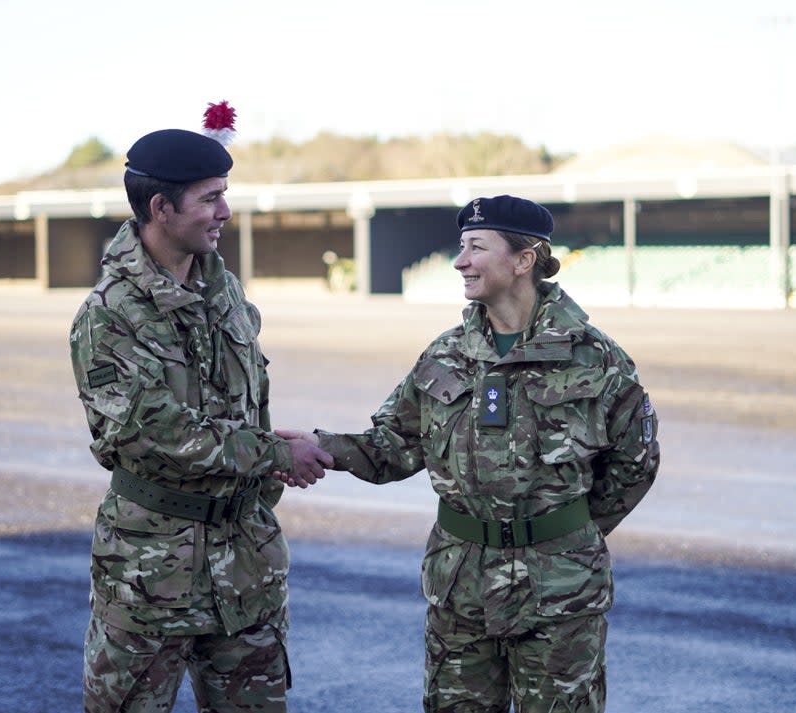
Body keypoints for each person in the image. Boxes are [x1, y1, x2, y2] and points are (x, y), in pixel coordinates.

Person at [278, 195, 660, 712]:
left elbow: (635, 463)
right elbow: (392, 448)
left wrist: (566, 535)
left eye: (476, 247)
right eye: (461, 248)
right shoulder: (445, 354)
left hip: (560, 592)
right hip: (460, 588)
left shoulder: (596, 358)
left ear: (524, 259)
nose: (460, 261)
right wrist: (322, 447)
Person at [69, 104, 331, 713]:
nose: (225, 212)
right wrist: (273, 452)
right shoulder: (111, 314)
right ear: (162, 209)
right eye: (210, 198)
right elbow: (156, 434)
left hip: (246, 563)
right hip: (152, 570)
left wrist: (267, 455)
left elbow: (242, 402)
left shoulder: (224, 289)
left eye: (225, 194)